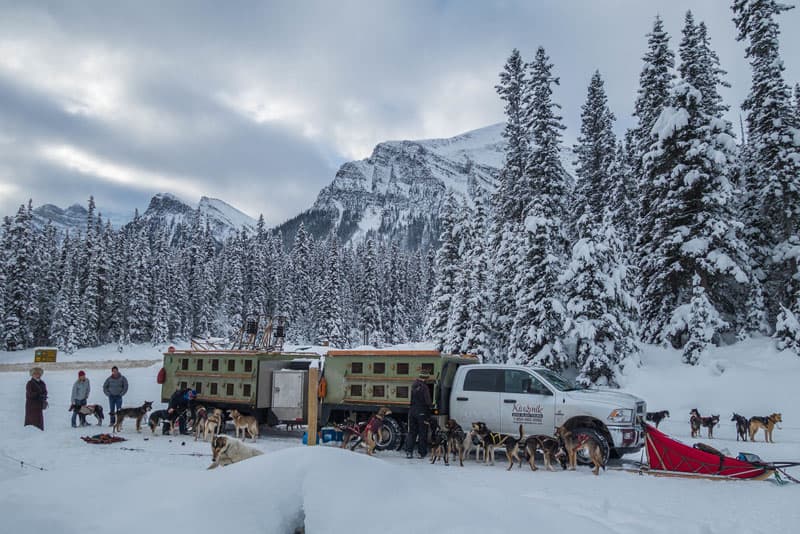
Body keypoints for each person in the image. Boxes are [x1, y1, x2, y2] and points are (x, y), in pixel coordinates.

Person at [405, 373, 432, 459]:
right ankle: (421, 453)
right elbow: (427, 401)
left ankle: (409, 452)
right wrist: (430, 406)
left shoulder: (414, 385)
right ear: (425, 378)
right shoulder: (424, 387)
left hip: (412, 411)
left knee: (412, 432)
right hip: (422, 412)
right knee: (422, 433)